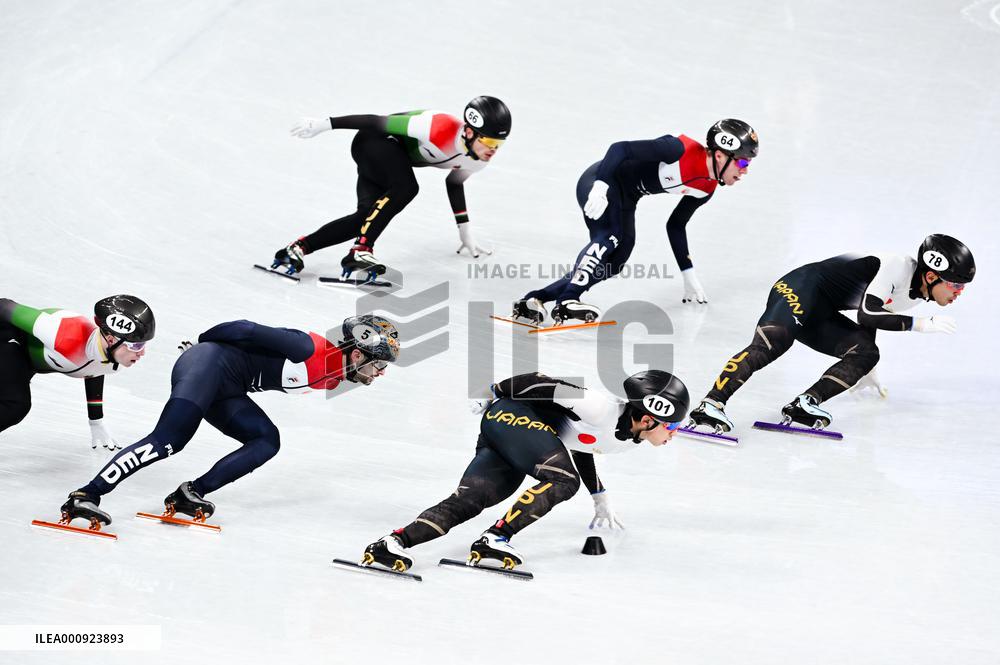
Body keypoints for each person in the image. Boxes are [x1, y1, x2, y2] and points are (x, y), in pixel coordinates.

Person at [57, 314, 399, 528]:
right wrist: (202, 343)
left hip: (228, 386)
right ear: (357, 354)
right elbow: (245, 329)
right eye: (379, 365)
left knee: (267, 440)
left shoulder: (334, 376)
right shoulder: (310, 349)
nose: (380, 374)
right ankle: (85, 494)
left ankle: (191, 493)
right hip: (207, 367)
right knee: (168, 441)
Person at [360, 369, 690, 572]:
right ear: (649, 418)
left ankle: (392, 543)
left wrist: (599, 495)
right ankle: (497, 537)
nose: (674, 434)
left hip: (516, 433)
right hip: (513, 414)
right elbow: (540, 381)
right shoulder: (599, 405)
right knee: (562, 480)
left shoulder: (628, 438)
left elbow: (580, 447)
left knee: (475, 497)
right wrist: (494, 391)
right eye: (672, 426)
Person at [687, 234, 976, 432]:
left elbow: (870, 321)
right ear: (930, 275)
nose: (958, 293)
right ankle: (710, 404)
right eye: (955, 286)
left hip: (821, 309)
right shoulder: (897, 266)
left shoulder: (913, 295)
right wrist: (918, 325)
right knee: (772, 343)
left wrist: (863, 368)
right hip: (799, 288)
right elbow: (867, 313)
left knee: (867, 353)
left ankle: (805, 404)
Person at [512, 119, 758, 324]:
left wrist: (688, 272)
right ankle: (567, 300)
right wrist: (600, 186)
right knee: (610, 236)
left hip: (628, 196)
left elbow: (676, 225)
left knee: (617, 261)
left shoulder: (706, 188)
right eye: (743, 162)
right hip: (602, 180)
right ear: (719, 155)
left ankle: (535, 299)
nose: (745, 170)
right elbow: (620, 149)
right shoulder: (678, 150)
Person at [272, 96, 512, 277]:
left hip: (389, 161)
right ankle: (361, 250)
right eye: (489, 141)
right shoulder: (437, 126)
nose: (493, 149)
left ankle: (297, 249)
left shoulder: (478, 160)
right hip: (373, 141)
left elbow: (454, 182)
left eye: (499, 144)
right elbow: (376, 122)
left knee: (364, 219)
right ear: (469, 132)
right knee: (406, 187)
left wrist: (464, 229)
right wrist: (325, 124)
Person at [0, 295, 154, 449]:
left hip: (24, 362)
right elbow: (4, 305)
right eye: (136, 346)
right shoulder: (63, 333)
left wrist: (96, 420)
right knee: (16, 404)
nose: (142, 353)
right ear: (112, 339)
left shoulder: (114, 360)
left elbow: (94, 370)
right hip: (10, 339)